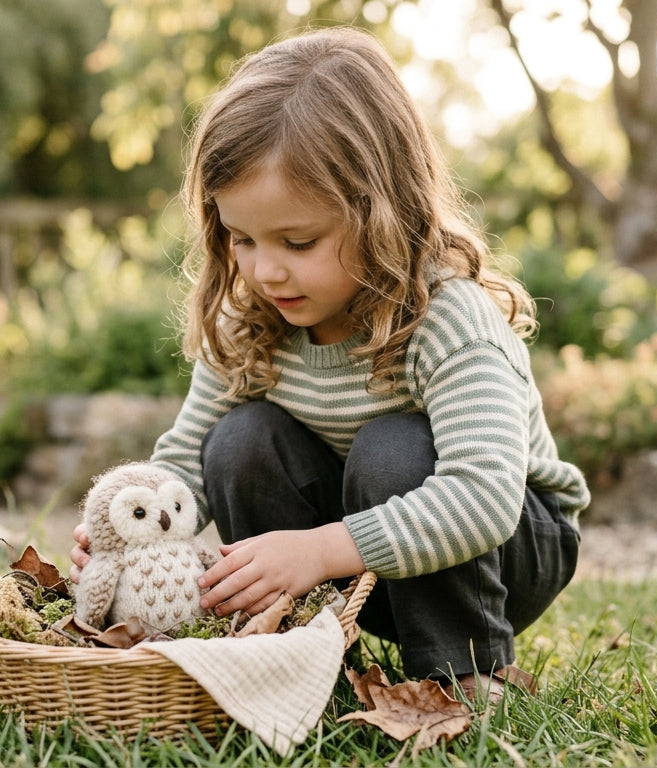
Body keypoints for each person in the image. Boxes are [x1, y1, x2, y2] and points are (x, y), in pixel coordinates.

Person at [70, 25, 589, 700]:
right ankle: (300, 656)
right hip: (365, 554)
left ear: (383, 213)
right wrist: (133, 524)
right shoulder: (253, 319)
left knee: (392, 448)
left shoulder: (449, 321)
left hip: (505, 549)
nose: (264, 269)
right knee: (239, 441)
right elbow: (189, 455)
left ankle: (465, 671)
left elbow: (485, 499)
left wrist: (318, 550)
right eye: (242, 238)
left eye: (298, 240)